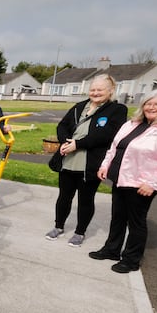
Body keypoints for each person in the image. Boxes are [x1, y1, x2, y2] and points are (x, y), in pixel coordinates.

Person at [90, 89, 157, 273]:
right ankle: (112, 249)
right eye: (148, 103)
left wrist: (154, 183)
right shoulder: (133, 123)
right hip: (121, 178)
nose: (151, 107)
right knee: (118, 216)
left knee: (136, 221)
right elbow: (115, 147)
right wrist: (105, 165)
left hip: (142, 184)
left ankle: (131, 260)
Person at [44, 74, 128, 247]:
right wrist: (65, 141)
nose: (95, 93)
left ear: (110, 91)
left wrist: (78, 144)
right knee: (64, 197)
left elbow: (107, 134)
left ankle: (79, 232)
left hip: (90, 164)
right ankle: (58, 226)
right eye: (92, 89)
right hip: (68, 160)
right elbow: (62, 125)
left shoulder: (117, 110)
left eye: (99, 89)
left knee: (85, 200)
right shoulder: (80, 106)